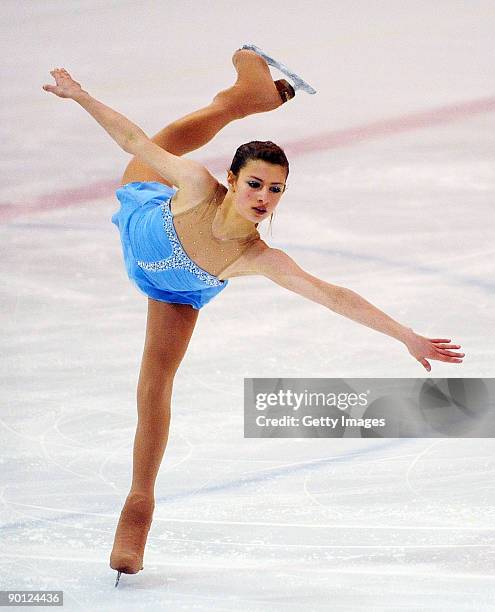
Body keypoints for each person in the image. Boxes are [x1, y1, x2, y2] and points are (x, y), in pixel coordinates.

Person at [42, 47, 464, 585]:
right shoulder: (194, 185)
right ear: (233, 179)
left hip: (170, 294)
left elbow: (334, 295)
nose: (264, 197)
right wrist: (81, 97)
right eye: (254, 183)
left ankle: (138, 506)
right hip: (144, 196)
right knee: (196, 126)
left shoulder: (258, 258)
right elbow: (134, 141)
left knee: (154, 390)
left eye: (276, 189)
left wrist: (406, 336)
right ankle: (247, 97)